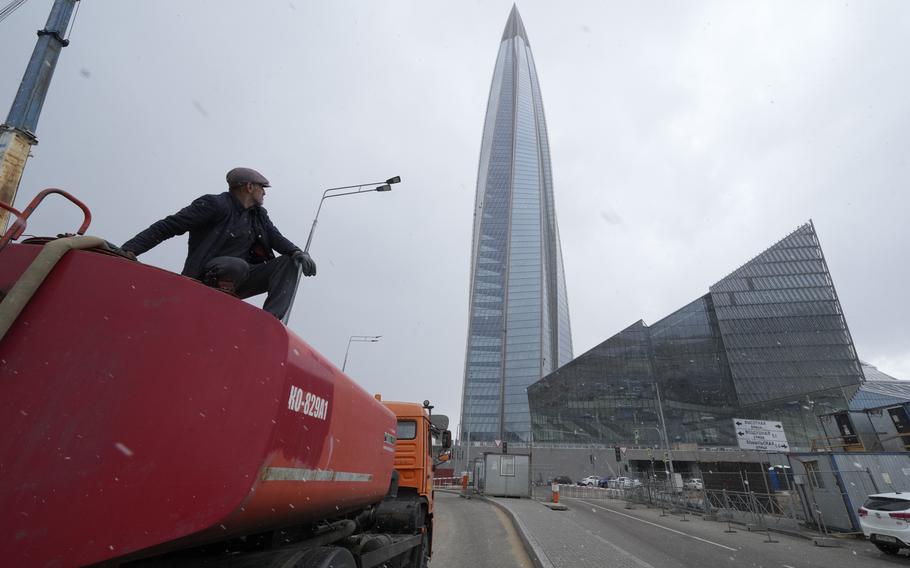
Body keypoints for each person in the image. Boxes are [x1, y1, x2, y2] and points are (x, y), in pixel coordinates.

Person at [121, 167, 316, 320]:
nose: (264, 193)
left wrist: (298, 252)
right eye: (262, 188)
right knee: (236, 265)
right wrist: (130, 249)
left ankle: (268, 321)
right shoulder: (214, 205)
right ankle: (216, 297)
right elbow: (169, 226)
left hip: (242, 277)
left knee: (289, 262)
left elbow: (276, 238)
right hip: (207, 276)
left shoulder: (259, 216)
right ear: (249, 187)